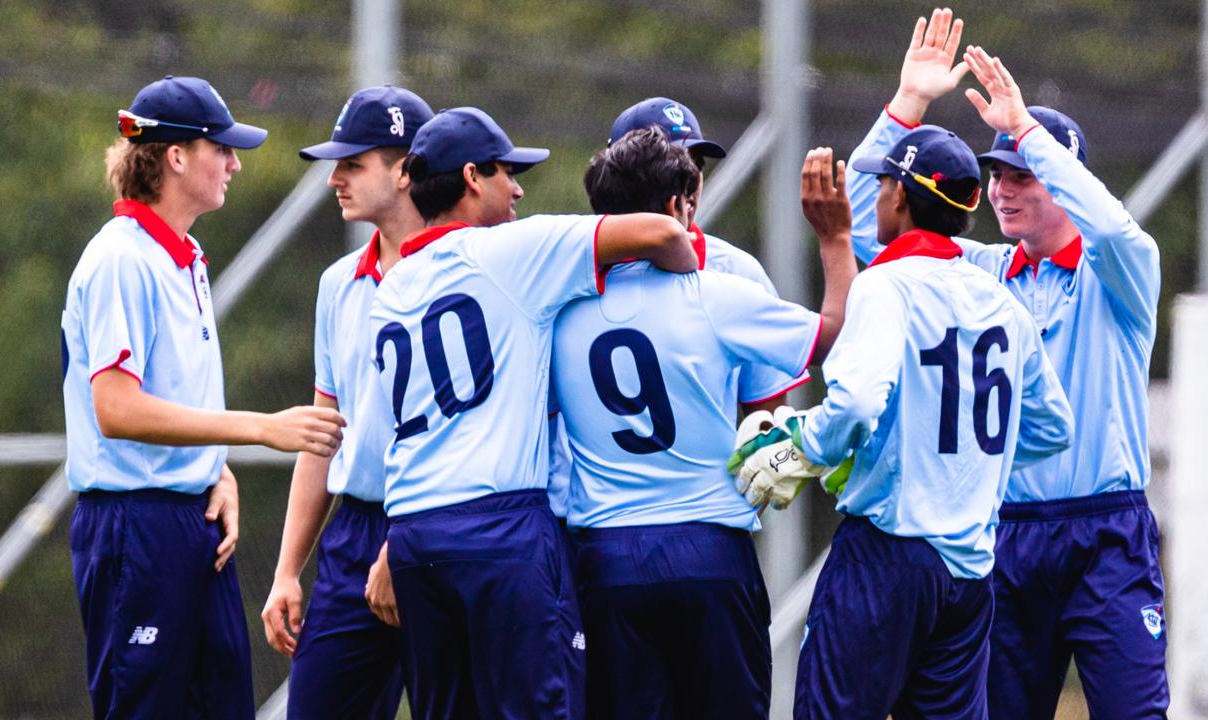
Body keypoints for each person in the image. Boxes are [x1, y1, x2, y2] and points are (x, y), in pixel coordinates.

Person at [848, 8, 1167, 716]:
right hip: (1003, 536)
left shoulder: (1115, 279)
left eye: (1022, 174)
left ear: (1066, 181)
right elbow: (859, 227)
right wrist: (908, 105)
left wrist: (1029, 132)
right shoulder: (980, 272)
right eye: (995, 173)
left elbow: (1119, 230)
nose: (1002, 188)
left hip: (1106, 535)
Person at [369, 106, 699, 719]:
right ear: (472, 177)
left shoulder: (389, 287)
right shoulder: (512, 250)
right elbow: (662, 233)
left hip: (414, 533)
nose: (518, 187)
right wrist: (689, 298)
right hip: (498, 527)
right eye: (506, 172)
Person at [760, 122, 1075, 718]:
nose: (877, 197)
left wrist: (807, 444)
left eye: (882, 185)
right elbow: (1052, 428)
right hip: (969, 574)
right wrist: (961, 463)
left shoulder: (885, 285)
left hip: (886, 557)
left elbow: (852, 406)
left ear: (900, 197)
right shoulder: (1002, 303)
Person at [62, 75, 346, 719]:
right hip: (136, 529)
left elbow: (167, 392)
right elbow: (117, 408)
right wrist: (257, 429)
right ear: (177, 156)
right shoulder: (120, 261)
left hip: (192, 522)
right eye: (221, 148)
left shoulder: (183, 255)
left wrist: (213, 468)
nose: (234, 163)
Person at [551, 127, 855, 718]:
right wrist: (835, 242)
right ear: (676, 207)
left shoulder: (561, 313)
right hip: (709, 553)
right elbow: (834, 333)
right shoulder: (714, 294)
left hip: (606, 558)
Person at [259, 85, 433, 720]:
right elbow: (323, 433)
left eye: (354, 163)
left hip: (445, 527)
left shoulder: (467, 272)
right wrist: (286, 570)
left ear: (407, 170)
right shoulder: (337, 285)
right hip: (354, 533)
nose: (334, 178)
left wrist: (410, 539)